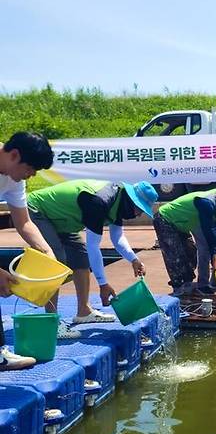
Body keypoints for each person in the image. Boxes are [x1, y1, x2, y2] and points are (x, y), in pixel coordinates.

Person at [27, 179, 158, 337]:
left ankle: (84, 311)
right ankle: (51, 322)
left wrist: (134, 259)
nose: (139, 214)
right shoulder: (100, 201)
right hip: (38, 210)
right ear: (130, 201)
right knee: (55, 260)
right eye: (139, 208)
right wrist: (103, 284)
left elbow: (118, 239)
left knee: (80, 255)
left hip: (60, 219)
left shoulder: (118, 202)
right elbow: (93, 246)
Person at [0, 132, 55, 370]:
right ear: (14, 155)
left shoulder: (14, 177)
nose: (31, 175)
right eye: (31, 169)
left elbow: (23, 222)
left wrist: (45, 250)